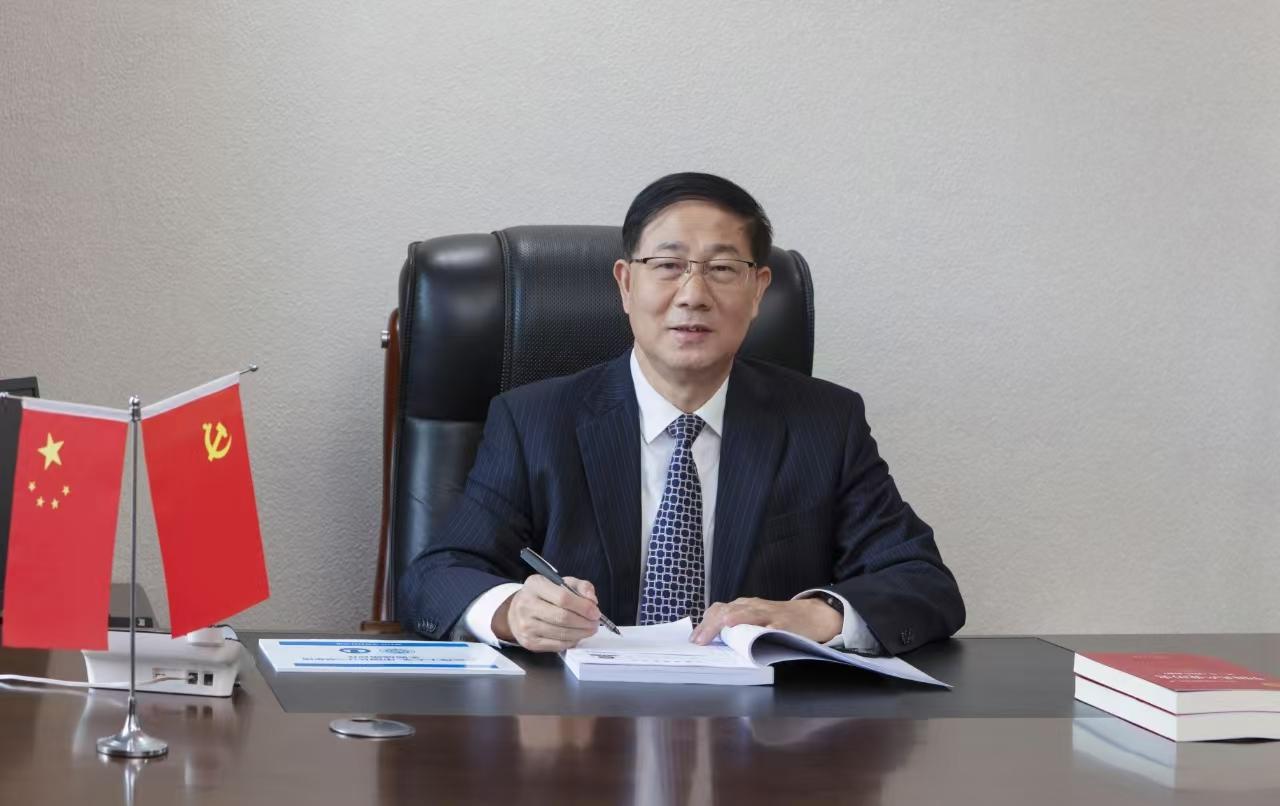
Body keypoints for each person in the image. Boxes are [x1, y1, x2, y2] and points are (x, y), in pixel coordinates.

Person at [398, 172, 964, 655]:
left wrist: (816, 614)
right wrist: (510, 612)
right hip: (579, 725)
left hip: (758, 732)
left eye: (722, 269)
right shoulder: (534, 421)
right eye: (668, 265)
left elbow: (923, 582)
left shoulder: (824, 424)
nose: (693, 294)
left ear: (758, 290)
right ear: (626, 284)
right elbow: (435, 576)